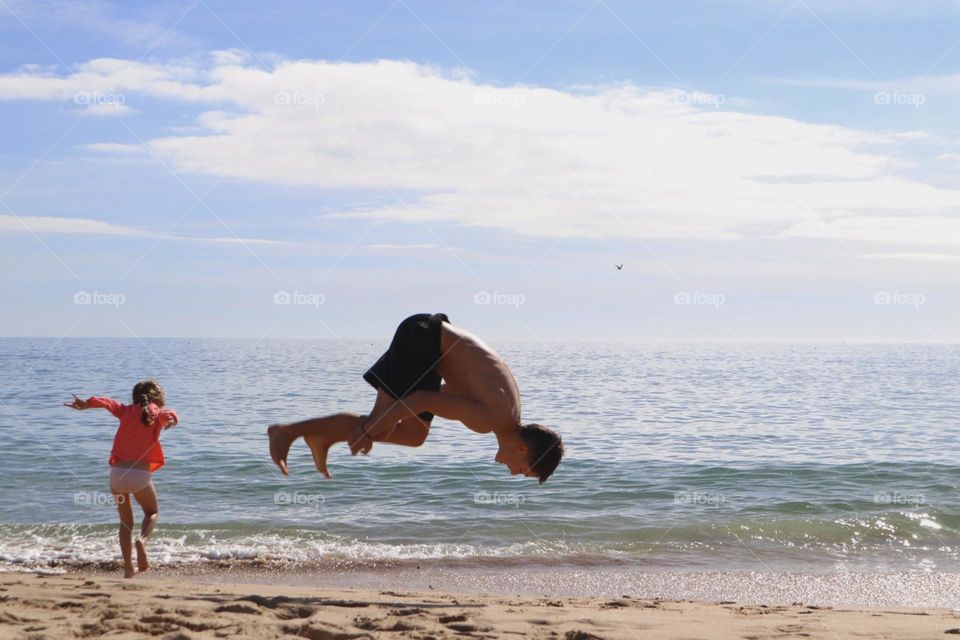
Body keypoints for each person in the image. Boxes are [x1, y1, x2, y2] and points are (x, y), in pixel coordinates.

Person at [268, 313, 563, 482]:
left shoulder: (503, 414)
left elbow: (444, 393)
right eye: (522, 471)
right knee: (379, 424)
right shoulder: (491, 419)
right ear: (522, 451)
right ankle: (288, 432)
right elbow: (421, 399)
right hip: (423, 340)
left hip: (430, 346)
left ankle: (323, 436)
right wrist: (369, 431)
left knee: (412, 435)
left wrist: (371, 429)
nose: (513, 473)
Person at [65, 380, 179, 578]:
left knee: (125, 523)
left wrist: (87, 403)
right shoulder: (154, 413)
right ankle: (142, 541)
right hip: (140, 475)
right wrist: (172, 419)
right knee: (152, 512)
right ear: (158, 399)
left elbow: (107, 402)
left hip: (117, 476)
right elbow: (168, 416)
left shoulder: (125, 411)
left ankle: (128, 568)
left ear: (134, 397)